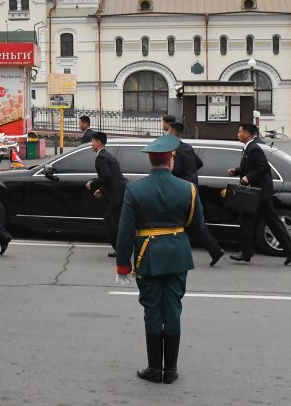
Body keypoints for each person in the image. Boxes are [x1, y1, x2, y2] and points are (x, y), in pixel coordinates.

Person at [116, 135, 204, 384]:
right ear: (170, 160)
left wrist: (123, 264)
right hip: (177, 254)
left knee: (153, 310)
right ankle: (171, 371)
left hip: (148, 255)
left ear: (152, 161)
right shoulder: (188, 188)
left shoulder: (135, 189)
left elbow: (124, 231)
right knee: (173, 309)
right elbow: (197, 225)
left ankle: (155, 369)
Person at [228, 123, 291, 265]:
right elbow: (250, 166)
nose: (238, 134)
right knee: (257, 221)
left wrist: (249, 177)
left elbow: (263, 167)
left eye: (240, 132)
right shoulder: (249, 148)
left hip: (259, 194)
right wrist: (237, 171)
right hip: (258, 193)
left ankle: (289, 249)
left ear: (247, 133)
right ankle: (248, 252)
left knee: (257, 221)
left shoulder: (254, 149)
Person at [168, 122, 224, 266]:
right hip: (193, 188)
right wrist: (190, 173)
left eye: (168, 130)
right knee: (197, 223)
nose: (167, 133)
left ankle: (175, 254)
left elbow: (176, 170)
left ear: (173, 132)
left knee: (174, 221)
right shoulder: (188, 147)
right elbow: (199, 163)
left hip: (182, 190)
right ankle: (215, 250)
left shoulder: (175, 150)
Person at [85, 132, 127, 257]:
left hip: (117, 195)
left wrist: (92, 184)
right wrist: (102, 190)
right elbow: (112, 177)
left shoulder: (101, 158)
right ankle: (122, 248)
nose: (91, 145)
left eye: (92, 142)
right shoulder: (107, 155)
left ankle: (120, 249)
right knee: (116, 222)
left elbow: (106, 176)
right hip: (120, 193)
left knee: (110, 222)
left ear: (98, 143)